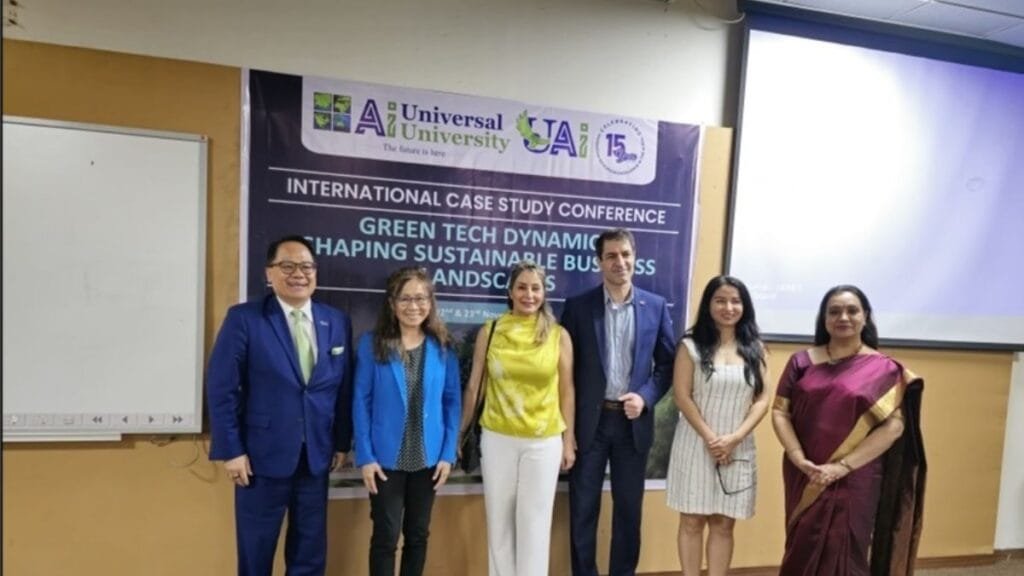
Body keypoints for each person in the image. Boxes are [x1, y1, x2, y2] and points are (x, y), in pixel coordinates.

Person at [207, 235, 353, 576]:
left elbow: (342, 388)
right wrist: (231, 450)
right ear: (268, 273)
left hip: (316, 458)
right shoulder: (245, 318)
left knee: (310, 554)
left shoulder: (336, 321)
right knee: (256, 554)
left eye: (306, 266)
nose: (298, 273)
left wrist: (342, 442)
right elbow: (221, 387)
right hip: (259, 459)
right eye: (287, 266)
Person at [772, 285, 926, 575]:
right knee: (802, 543)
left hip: (857, 473)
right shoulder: (801, 361)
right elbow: (780, 412)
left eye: (852, 310)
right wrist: (797, 457)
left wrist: (842, 467)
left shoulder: (884, 369)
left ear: (865, 317)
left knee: (845, 547)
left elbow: (894, 428)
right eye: (835, 311)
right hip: (804, 470)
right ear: (824, 318)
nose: (843, 317)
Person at [561, 228, 677, 576]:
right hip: (589, 426)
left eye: (626, 254)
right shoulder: (578, 307)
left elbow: (668, 364)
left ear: (634, 258)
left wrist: (645, 397)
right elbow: (564, 370)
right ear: (599, 262)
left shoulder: (655, 307)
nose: (620, 262)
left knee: (628, 512)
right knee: (582, 510)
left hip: (632, 425)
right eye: (611, 256)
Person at [459, 260, 576, 576]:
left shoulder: (558, 335)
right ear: (510, 292)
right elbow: (475, 387)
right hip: (497, 438)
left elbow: (567, 390)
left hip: (543, 441)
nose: (529, 294)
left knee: (534, 524)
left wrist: (569, 441)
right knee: (499, 522)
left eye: (535, 288)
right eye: (522, 287)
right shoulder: (491, 330)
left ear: (544, 293)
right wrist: (459, 432)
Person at [352, 267, 462, 576]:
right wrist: (365, 456)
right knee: (386, 537)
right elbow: (361, 402)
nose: (414, 306)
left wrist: (447, 454)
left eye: (421, 298)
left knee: (418, 535)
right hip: (385, 461)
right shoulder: (372, 344)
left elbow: (452, 402)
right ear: (392, 303)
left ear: (431, 302)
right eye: (405, 299)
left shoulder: (442, 346)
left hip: (429, 460)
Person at [665, 276, 770, 576]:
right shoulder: (690, 346)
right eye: (720, 300)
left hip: (738, 446)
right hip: (696, 443)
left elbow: (763, 399)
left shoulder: (755, 348)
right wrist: (713, 439)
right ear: (708, 305)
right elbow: (683, 396)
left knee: (724, 523)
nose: (728, 307)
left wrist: (734, 438)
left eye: (735, 301)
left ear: (745, 306)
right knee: (692, 520)